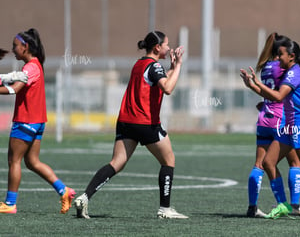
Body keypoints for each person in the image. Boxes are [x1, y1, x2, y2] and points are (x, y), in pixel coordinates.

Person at [74, 31, 188, 219]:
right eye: (166, 45)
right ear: (157, 47)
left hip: (126, 122)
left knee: (116, 163)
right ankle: (165, 209)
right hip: (145, 123)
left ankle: (85, 197)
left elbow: (157, 81)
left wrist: (171, 68)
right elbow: (167, 88)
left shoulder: (139, 64)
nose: (169, 48)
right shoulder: (154, 66)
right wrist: (178, 67)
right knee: (168, 161)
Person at [241, 38, 300, 222]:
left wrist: (257, 84)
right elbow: (276, 97)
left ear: (291, 56)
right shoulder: (291, 72)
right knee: (268, 162)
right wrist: (253, 86)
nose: (278, 57)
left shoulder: (295, 73)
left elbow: (278, 96)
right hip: (288, 126)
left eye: (281, 54)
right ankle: (284, 204)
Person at [0, 29, 75, 214]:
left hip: (26, 121)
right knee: (32, 162)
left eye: (15, 46)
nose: (13, 49)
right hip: (37, 121)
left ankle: (10, 204)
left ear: (25, 47)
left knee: (13, 160)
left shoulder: (31, 67)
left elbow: (14, 90)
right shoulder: (34, 66)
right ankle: (63, 190)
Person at [242, 33, 300, 218]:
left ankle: (252, 207)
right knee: (295, 161)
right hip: (282, 118)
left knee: (259, 164)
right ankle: (293, 205)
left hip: (264, 118)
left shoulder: (266, 66)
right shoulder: (284, 68)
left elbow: (266, 91)